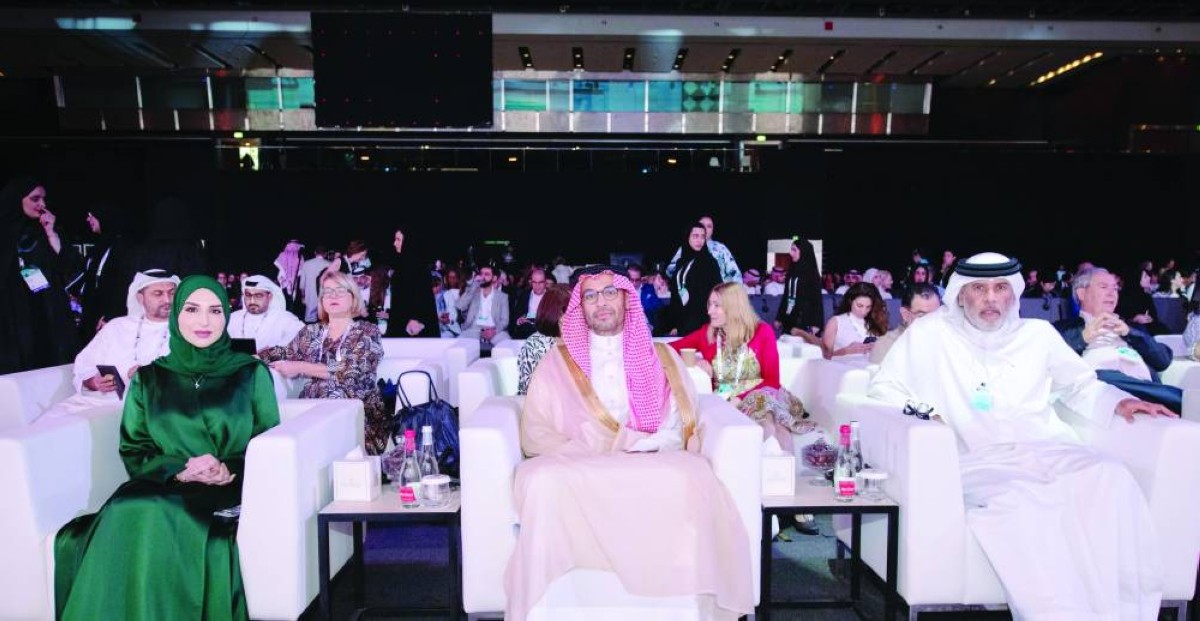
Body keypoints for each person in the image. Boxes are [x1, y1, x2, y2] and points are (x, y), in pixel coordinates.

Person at [868, 252, 1173, 620]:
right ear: (960, 294)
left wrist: (1119, 402)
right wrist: (925, 413)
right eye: (979, 289)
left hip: (1047, 447)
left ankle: (1122, 612)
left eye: (1000, 288)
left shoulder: (1037, 334)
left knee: (1111, 476)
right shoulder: (929, 334)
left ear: (1013, 294)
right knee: (1022, 501)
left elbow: (1079, 385)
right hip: (977, 459)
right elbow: (883, 387)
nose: (991, 298)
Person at [507, 266, 752, 620]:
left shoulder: (661, 356)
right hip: (580, 459)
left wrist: (644, 444)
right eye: (590, 295)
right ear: (580, 306)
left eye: (610, 292)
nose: (601, 302)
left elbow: (677, 423)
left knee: (695, 477)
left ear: (626, 298)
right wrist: (603, 443)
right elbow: (536, 432)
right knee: (542, 480)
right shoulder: (557, 362)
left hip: (651, 456)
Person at [54, 275, 280, 621]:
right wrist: (180, 471)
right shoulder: (150, 378)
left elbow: (268, 444)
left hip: (226, 487)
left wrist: (226, 469)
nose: (204, 321)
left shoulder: (250, 373)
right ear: (177, 315)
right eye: (192, 309)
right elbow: (134, 447)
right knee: (128, 505)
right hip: (160, 481)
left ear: (226, 316)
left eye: (215, 311)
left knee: (153, 510)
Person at [671, 282, 813, 450]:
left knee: (765, 409)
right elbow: (667, 349)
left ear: (733, 307)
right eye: (709, 304)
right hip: (724, 400)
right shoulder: (707, 334)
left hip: (762, 395)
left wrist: (740, 399)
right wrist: (694, 360)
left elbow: (772, 380)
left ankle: (777, 458)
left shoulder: (762, 332)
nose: (709, 311)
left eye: (717, 305)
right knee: (764, 415)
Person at [259, 270, 386, 453]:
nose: (333, 296)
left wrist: (301, 367)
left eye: (340, 290)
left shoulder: (367, 331)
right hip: (313, 412)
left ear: (353, 298)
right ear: (322, 301)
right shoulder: (311, 332)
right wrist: (255, 356)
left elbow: (350, 368)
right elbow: (285, 352)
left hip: (358, 413)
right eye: (327, 291)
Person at [43, 270, 179, 418]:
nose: (167, 300)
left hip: (147, 407)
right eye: (158, 294)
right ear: (140, 298)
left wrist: (152, 376)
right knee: (50, 423)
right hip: (95, 401)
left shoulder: (187, 331)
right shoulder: (116, 326)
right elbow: (84, 365)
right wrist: (94, 382)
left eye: (172, 293)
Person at [1053, 267, 1181, 413]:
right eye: (1103, 287)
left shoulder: (1132, 327)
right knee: (1099, 374)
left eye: (1115, 288)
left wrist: (1129, 332)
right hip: (1104, 387)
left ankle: (1177, 399)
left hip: (1145, 386)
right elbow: (1053, 362)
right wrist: (1083, 337)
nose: (1111, 293)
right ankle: (1179, 399)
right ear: (1081, 293)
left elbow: (1163, 360)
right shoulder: (1063, 329)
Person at [0, 177, 82, 373]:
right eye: (35, 199)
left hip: (48, 308)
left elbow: (68, 266)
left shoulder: (47, 230)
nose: (42, 204)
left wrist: (51, 233)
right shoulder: (4, 233)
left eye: (44, 199)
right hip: (13, 312)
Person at [77, 202, 137, 342]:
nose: (88, 219)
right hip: (94, 316)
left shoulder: (122, 247)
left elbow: (123, 284)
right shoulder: (100, 246)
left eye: (91, 215)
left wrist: (111, 316)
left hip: (108, 319)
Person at [382, 228, 439, 337]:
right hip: (401, 323)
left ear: (408, 241)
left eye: (398, 240)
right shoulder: (401, 265)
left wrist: (416, 317)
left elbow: (421, 295)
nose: (394, 243)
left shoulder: (418, 267)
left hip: (413, 327)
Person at [667, 222, 722, 335]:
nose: (699, 240)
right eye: (695, 236)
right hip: (682, 321)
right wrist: (674, 324)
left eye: (702, 237)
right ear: (687, 237)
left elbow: (717, 292)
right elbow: (675, 295)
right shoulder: (680, 262)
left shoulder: (709, 262)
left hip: (701, 322)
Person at [516, 284, 570, 395]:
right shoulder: (536, 344)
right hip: (542, 401)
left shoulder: (582, 338)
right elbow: (527, 390)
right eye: (573, 308)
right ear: (559, 313)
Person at [227, 274, 305, 351]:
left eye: (258, 295)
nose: (252, 301)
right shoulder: (232, 318)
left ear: (270, 297)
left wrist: (271, 353)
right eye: (248, 295)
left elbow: (305, 340)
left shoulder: (284, 318)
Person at [869, 282, 941, 364]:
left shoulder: (946, 340)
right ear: (905, 314)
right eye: (923, 316)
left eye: (936, 315)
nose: (932, 322)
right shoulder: (887, 345)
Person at [774, 236, 825, 345]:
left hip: (804, 319)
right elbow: (786, 295)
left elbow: (816, 299)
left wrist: (816, 323)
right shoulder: (792, 271)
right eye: (791, 249)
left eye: (794, 250)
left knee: (801, 350)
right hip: (789, 317)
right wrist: (779, 317)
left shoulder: (812, 273)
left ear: (803, 252)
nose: (791, 253)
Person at [822, 282, 888, 362]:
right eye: (859, 306)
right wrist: (846, 351)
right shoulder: (836, 322)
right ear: (850, 301)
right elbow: (824, 357)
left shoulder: (875, 321)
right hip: (843, 367)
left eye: (868, 307)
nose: (863, 311)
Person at [666, 214, 741, 284]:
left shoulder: (721, 248)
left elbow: (735, 273)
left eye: (709, 226)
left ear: (712, 230)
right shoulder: (685, 247)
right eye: (702, 225)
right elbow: (670, 271)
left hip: (721, 289)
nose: (705, 228)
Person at [457, 264, 510, 347]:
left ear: (494, 278)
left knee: (507, 346)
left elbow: (505, 321)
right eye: (481, 274)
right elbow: (460, 305)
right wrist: (474, 286)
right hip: (474, 329)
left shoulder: (502, 297)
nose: (483, 277)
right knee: (459, 346)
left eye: (487, 274)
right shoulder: (473, 292)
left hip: (494, 329)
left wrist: (494, 331)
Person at [510, 267, 550, 340]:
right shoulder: (524, 295)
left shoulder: (551, 297)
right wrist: (519, 320)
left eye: (540, 282)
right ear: (531, 282)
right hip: (526, 330)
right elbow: (516, 315)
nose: (537, 286)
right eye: (534, 282)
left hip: (545, 330)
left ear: (545, 282)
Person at [298, 245, 332, 323]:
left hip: (310, 297)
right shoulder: (330, 264)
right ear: (325, 254)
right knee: (325, 321)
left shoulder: (307, 264)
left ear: (315, 253)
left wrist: (303, 296)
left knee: (310, 321)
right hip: (325, 296)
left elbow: (302, 284)